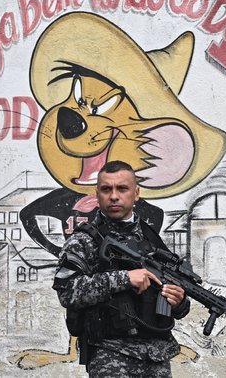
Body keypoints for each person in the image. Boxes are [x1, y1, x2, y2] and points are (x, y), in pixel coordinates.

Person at [53, 160, 190, 377]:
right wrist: (124, 278)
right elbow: (67, 292)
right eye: (106, 189)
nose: (114, 196)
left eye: (122, 189)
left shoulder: (153, 242)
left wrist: (179, 302)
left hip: (157, 357)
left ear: (136, 193)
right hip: (111, 355)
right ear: (97, 194)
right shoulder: (83, 241)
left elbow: (176, 306)